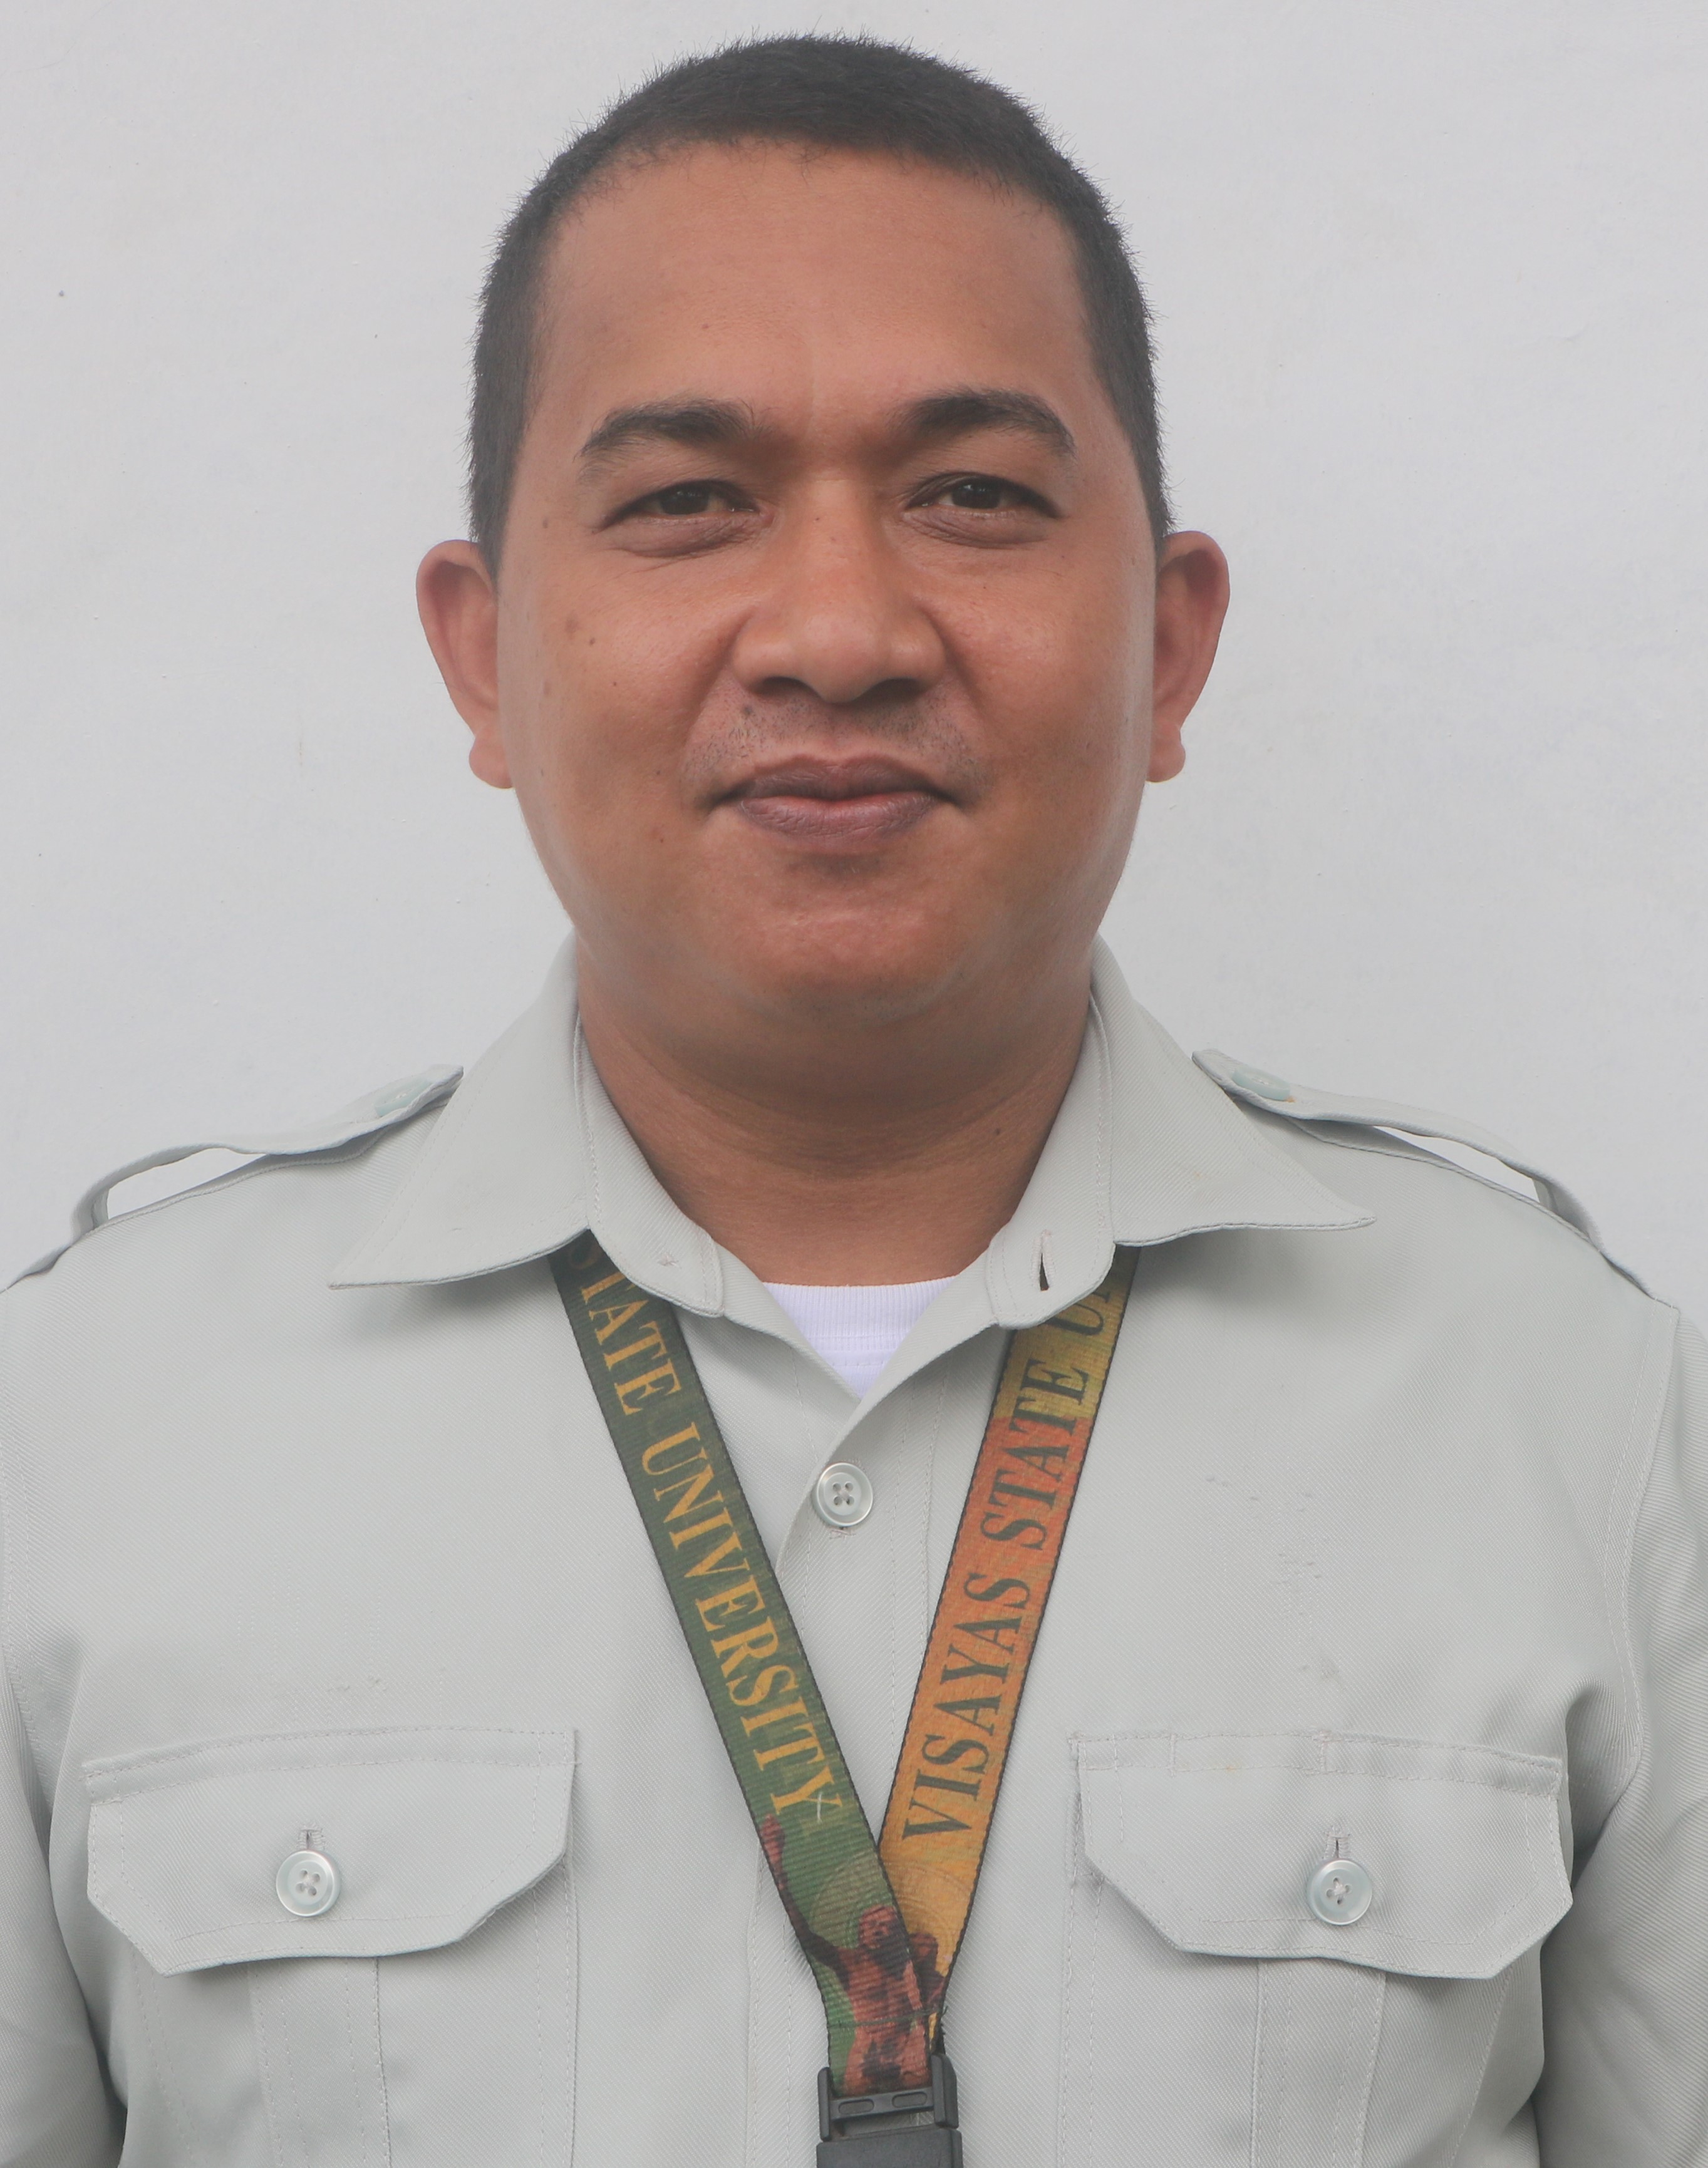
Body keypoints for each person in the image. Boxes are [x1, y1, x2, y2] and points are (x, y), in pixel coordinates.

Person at [2, 31, 1704, 2168]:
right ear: (482, 652)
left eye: (972, 495)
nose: (836, 630)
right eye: (685, 503)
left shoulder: (1567, 1404)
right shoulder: (82, 1424)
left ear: (1170, 647)